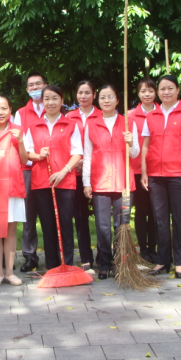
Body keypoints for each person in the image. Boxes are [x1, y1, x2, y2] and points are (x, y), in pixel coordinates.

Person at [140, 75, 181, 279]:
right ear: (158, 92)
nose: (166, 92)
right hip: (156, 175)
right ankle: (163, 260)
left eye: (170, 88)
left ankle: (180, 262)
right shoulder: (151, 115)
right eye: (162, 89)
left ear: (177, 90)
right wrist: (144, 172)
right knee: (160, 219)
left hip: (179, 173)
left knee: (179, 218)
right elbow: (145, 146)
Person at [82, 85, 139, 279]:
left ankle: (120, 261)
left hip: (123, 182)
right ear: (99, 100)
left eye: (111, 97)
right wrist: (86, 182)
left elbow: (135, 153)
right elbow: (87, 156)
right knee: (103, 225)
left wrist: (130, 142)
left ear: (117, 100)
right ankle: (104, 263)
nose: (106, 100)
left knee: (121, 224)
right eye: (103, 97)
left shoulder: (127, 123)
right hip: (100, 182)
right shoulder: (91, 124)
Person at [24, 85, 83, 269]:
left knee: (65, 224)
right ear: (42, 102)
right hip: (41, 181)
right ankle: (52, 266)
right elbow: (26, 154)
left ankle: (68, 265)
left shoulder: (71, 125)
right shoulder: (33, 127)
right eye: (47, 98)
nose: (50, 102)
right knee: (48, 226)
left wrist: (63, 171)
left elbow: (78, 153)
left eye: (55, 98)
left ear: (62, 101)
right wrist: (38, 156)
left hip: (65, 181)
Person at [0, 95, 28, 286]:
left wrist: (19, 141)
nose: (0, 112)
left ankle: (10, 272)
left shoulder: (17, 131)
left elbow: (23, 159)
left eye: (4, 108)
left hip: (13, 186)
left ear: (10, 110)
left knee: (11, 230)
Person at [65, 81, 100, 273]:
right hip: (76, 174)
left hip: (99, 172)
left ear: (94, 95)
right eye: (80, 93)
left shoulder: (102, 115)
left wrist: (87, 161)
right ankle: (86, 257)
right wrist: (77, 161)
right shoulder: (69, 117)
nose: (83, 96)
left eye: (87, 92)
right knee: (80, 216)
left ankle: (105, 256)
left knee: (103, 217)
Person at [14, 72, 47, 272]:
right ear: (27, 89)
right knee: (28, 214)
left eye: (38, 84)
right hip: (27, 168)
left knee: (49, 213)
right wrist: (34, 156)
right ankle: (29, 255)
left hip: (50, 168)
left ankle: (53, 253)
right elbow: (20, 143)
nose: (35, 88)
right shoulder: (21, 113)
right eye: (31, 86)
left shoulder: (54, 107)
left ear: (45, 85)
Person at [128, 78, 159, 262]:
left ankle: (155, 247)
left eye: (150, 91)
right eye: (143, 91)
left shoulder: (162, 113)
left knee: (157, 211)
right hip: (137, 169)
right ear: (138, 94)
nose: (147, 94)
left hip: (158, 169)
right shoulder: (130, 116)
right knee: (141, 210)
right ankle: (144, 249)